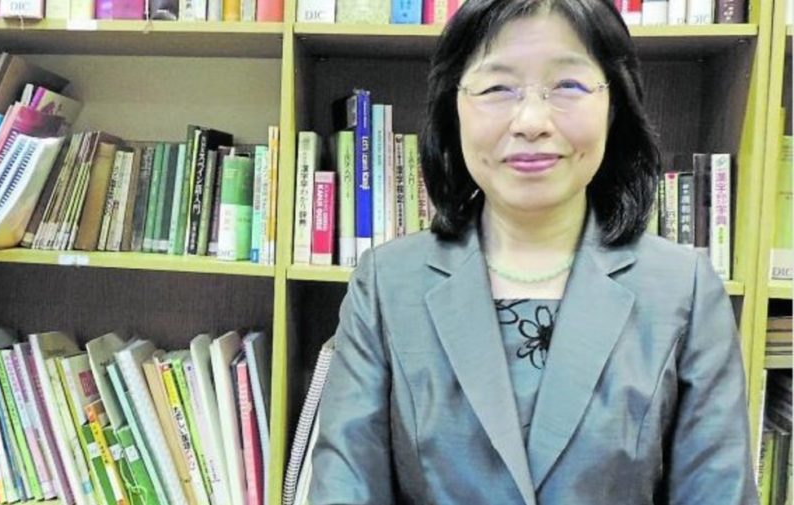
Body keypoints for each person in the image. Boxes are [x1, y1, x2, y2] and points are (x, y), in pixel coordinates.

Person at [308, 0, 758, 503]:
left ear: (615, 105)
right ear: (454, 107)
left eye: (568, 85)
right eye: (497, 88)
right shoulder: (387, 284)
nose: (531, 121)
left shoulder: (684, 290)